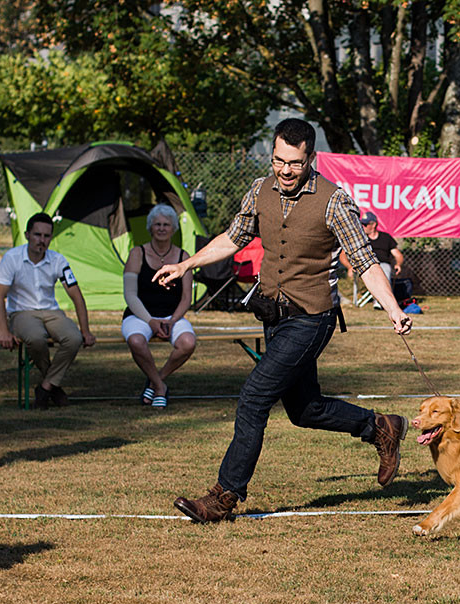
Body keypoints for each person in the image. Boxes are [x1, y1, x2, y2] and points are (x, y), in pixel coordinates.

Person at [154, 118, 413, 523]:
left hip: (312, 319)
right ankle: (380, 426)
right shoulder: (259, 190)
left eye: (294, 162)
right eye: (278, 160)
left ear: (310, 158)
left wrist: (394, 308)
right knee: (304, 409)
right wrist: (187, 263)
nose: (285, 170)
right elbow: (234, 237)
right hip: (274, 316)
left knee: (254, 397)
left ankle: (223, 497)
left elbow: (364, 260)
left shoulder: (334, 201)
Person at [0, 212, 96, 409]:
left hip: (51, 312)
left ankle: (46, 386)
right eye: (37, 235)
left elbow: (76, 295)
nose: (42, 240)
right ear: (27, 235)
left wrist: (85, 330)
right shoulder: (12, 258)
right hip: (22, 312)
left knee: (73, 338)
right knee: (36, 338)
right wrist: (4, 330)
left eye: (47, 236)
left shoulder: (58, 260)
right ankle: (54, 387)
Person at [123, 204, 196, 408]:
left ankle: (155, 382)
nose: (162, 228)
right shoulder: (137, 254)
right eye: (157, 224)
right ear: (150, 228)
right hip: (139, 316)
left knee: (188, 343)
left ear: (173, 228)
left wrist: (172, 321)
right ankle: (160, 387)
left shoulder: (184, 257)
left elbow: (186, 298)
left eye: (166, 224)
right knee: (136, 341)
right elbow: (130, 295)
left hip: (172, 316)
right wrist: (151, 321)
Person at [342, 210, 404, 283]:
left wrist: (398, 264)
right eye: (362, 224)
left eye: (365, 225)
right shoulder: (360, 239)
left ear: (373, 224)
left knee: (385, 270)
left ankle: (384, 293)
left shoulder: (386, 238)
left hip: (382, 265)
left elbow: (398, 255)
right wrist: (349, 267)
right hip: (365, 265)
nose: (363, 227)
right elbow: (343, 254)